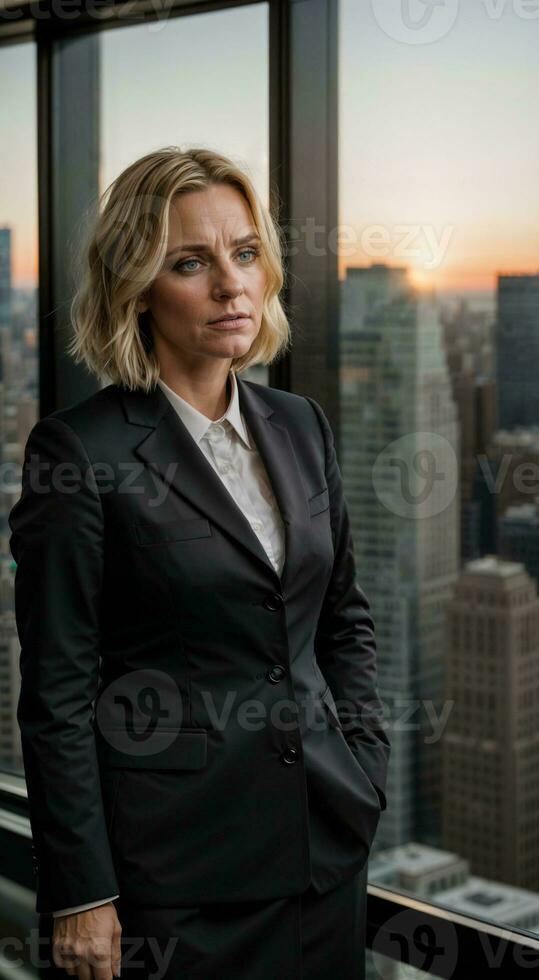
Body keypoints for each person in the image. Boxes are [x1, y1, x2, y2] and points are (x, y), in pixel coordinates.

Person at [9, 146, 391, 979]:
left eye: (245, 253)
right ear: (136, 287)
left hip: (321, 854)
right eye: (191, 262)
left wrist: (363, 764)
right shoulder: (80, 451)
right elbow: (59, 690)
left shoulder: (300, 424)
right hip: (174, 880)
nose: (230, 285)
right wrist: (83, 892)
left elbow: (342, 616)